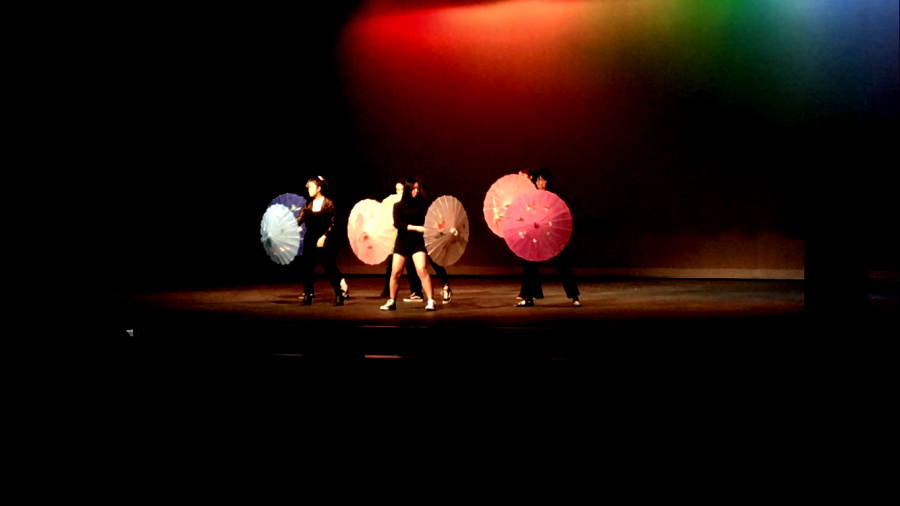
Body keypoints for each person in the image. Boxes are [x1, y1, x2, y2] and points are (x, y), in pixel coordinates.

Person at [516, 168, 581, 308]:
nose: (539, 183)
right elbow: (524, 214)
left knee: (562, 266)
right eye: (538, 180)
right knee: (529, 265)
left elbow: (560, 216)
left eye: (542, 180)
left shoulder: (555, 197)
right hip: (535, 236)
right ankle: (528, 297)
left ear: (548, 182)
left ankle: (574, 296)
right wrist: (523, 221)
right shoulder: (532, 197)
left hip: (551, 237)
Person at [381, 177, 437, 311]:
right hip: (402, 241)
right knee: (395, 272)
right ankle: (392, 300)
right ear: (408, 190)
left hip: (417, 242)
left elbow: (435, 214)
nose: (416, 191)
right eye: (413, 189)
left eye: (418, 188)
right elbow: (399, 224)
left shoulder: (423, 203)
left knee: (421, 269)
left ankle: (430, 300)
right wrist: (417, 228)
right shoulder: (398, 206)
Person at [296, 175, 349, 306]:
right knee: (307, 267)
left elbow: (333, 223)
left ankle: (338, 294)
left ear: (319, 188)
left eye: (311, 187)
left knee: (329, 266)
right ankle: (307, 295)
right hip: (310, 238)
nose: (309, 190)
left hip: (324, 238)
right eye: (308, 188)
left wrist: (324, 236)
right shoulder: (308, 204)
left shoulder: (328, 203)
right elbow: (299, 219)